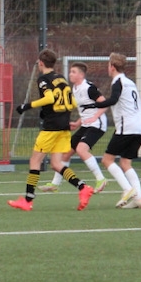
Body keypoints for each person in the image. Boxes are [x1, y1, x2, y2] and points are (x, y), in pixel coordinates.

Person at [10, 49, 95, 212]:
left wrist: (26, 106)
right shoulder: (61, 78)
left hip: (51, 128)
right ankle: (83, 187)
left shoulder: (43, 79)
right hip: (63, 126)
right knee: (56, 164)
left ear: (41, 63)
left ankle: (27, 200)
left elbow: (49, 98)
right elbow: (72, 102)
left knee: (35, 161)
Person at [83, 52, 141, 209]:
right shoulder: (130, 82)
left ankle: (127, 189)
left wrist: (94, 105)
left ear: (112, 67)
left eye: (108, 64)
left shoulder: (118, 82)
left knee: (107, 160)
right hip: (139, 128)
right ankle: (138, 199)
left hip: (127, 128)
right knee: (125, 163)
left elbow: (113, 100)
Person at [38, 61, 108, 194]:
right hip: (86, 124)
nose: (70, 74)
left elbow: (104, 103)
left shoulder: (88, 88)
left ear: (81, 75)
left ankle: (101, 179)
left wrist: (95, 117)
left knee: (81, 149)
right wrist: (77, 123)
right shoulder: (74, 89)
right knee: (66, 153)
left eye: (73, 72)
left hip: (97, 125)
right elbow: (87, 110)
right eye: (70, 71)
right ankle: (55, 184)